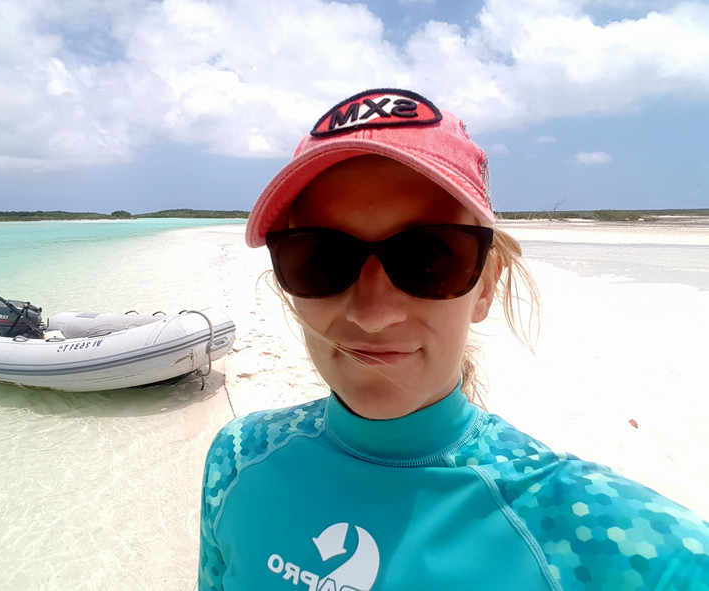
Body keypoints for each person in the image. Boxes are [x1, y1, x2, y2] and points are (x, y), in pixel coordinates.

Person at [199, 88, 709, 590]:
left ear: (486, 285)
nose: (373, 314)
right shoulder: (238, 455)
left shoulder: (614, 545)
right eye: (322, 258)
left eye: (428, 259)